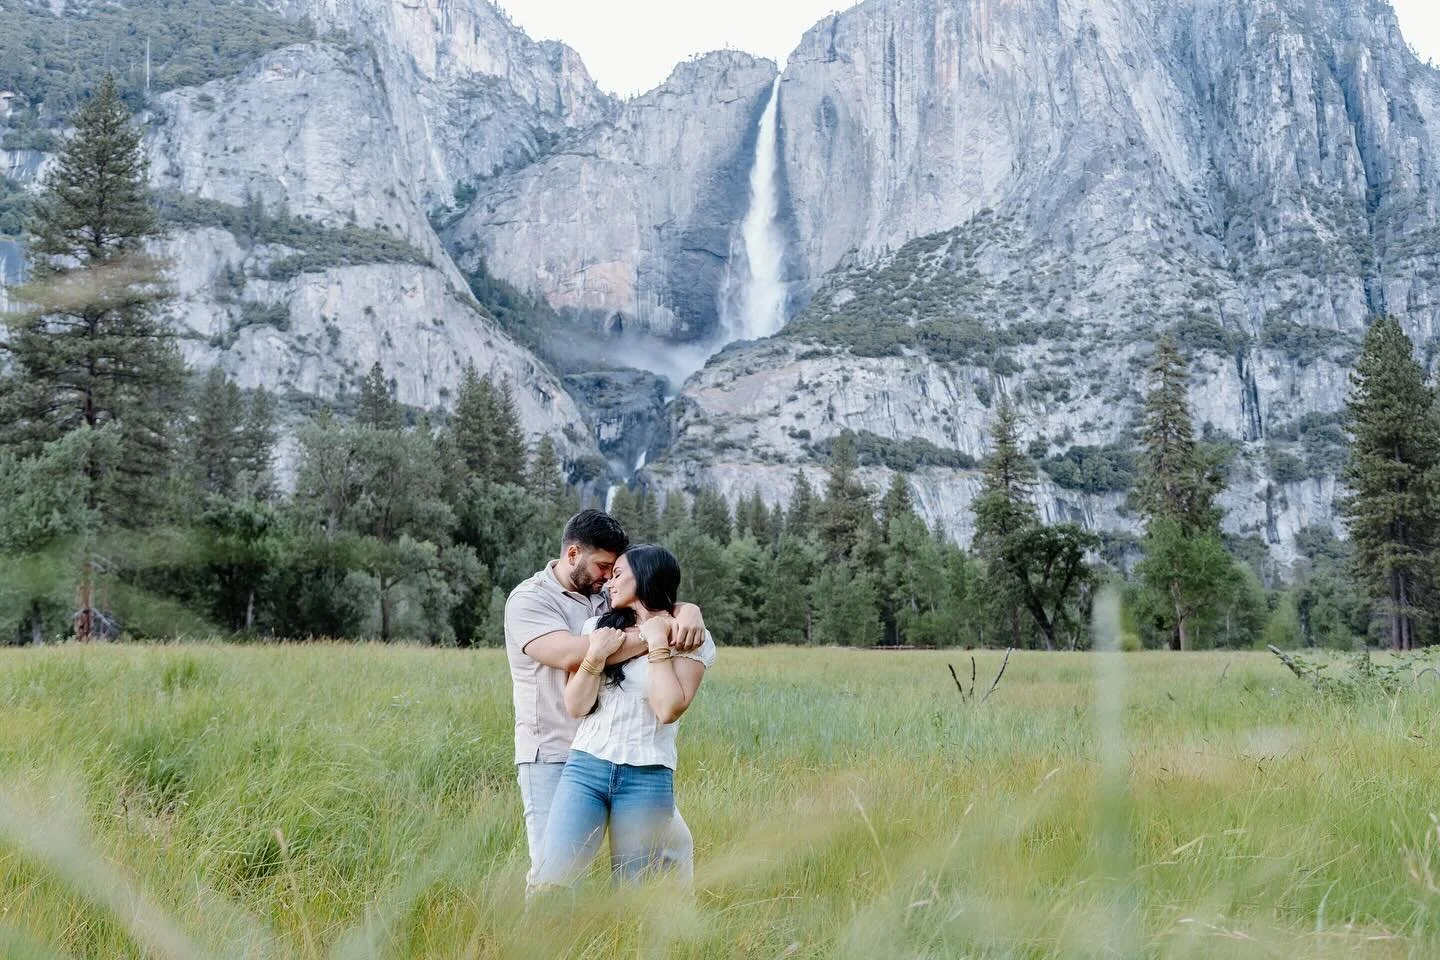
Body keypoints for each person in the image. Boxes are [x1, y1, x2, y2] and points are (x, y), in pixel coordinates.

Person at [504, 510, 706, 890]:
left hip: (620, 752)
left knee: (672, 852)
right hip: (552, 751)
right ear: (573, 554)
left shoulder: (601, 599)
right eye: (603, 567)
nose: (607, 578)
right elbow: (570, 654)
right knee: (552, 872)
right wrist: (655, 634)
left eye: (616, 571)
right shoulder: (529, 600)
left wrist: (686, 612)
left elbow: (651, 598)